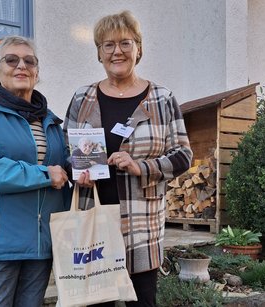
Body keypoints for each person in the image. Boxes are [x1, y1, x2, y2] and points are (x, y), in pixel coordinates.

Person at [63, 11, 193, 307]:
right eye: (108, 45)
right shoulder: (83, 98)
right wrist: (75, 170)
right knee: (97, 303)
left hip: (141, 225)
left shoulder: (161, 98)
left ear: (139, 49)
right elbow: (65, 146)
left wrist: (141, 166)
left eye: (125, 43)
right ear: (99, 53)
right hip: (93, 221)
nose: (116, 51)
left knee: (143, 301)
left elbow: (184, 155)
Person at [0, 36, 70, 307]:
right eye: (12, 60)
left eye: (29, 61)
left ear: (37, 72)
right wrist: (44, 174)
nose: (22, 66)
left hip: (42, 243)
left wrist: (91, 168)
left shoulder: (52, 121)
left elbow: (65, 168)